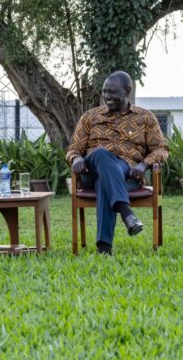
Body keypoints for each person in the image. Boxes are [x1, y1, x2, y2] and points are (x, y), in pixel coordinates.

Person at [66, 71, 168, 255]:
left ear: (127, 91)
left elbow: (161, 149)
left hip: (127, 174)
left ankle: (104, 249)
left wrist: (143, 165)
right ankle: (126, 212)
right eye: (104, 92)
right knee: (101, 154)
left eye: (112, 92)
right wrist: (77, 158)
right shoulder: (90, 116)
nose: (107, 96)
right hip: (91, 170)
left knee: (104, 183)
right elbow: (73, 148)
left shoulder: (145, 118)